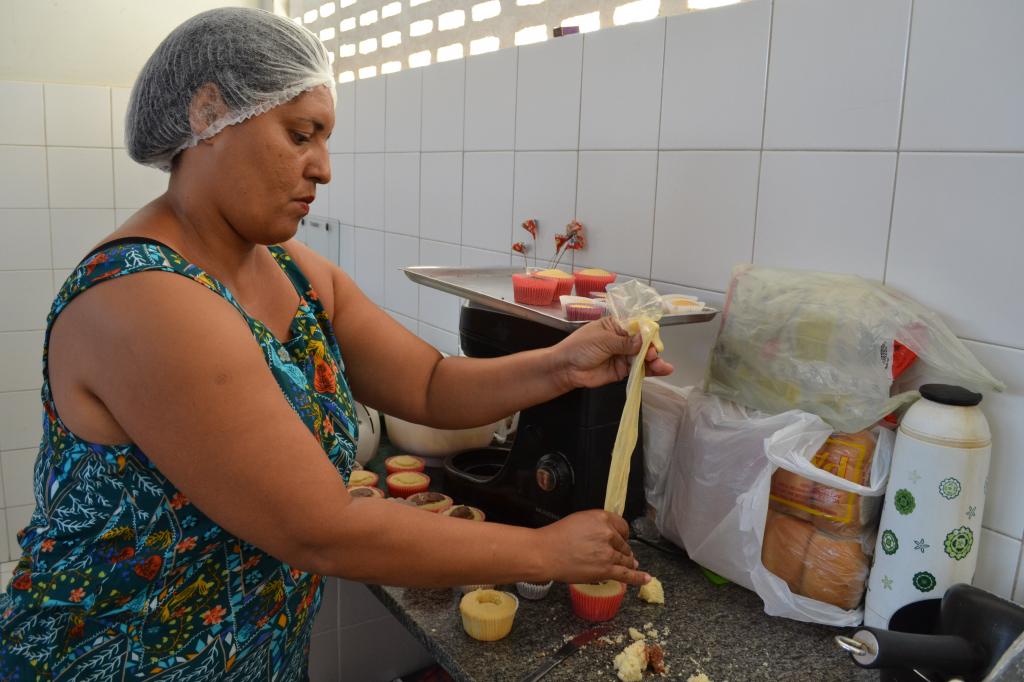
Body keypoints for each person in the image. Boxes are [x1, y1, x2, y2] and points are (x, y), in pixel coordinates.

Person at [0, 8, 671, 680]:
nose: (322, 168)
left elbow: (428, 385)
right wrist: (545, 551)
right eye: (300, 135)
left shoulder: (289, 267)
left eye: (323, 140)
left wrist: (563, 364)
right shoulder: (145, 299)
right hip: (113, 660)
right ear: (208, 115)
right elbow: (318, 529)